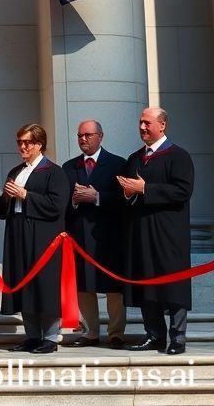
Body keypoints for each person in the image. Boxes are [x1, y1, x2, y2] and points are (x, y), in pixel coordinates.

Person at [117, 108, 194, 355]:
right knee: (146, 282)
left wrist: (145, 189)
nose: (142, 127)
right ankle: (154, 335)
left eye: (147, 123)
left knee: (174, 284)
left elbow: (183, 191)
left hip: (170, 233)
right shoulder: (134, 158)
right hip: (141, 232)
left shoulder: (178, 156)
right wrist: (128, 193)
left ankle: (178, 337)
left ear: (162, 125)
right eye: (140, 122)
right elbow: (128, 197)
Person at [1, 123, 70, 354]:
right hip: (18, 233)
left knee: (45, 285)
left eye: (27, 142)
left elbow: (57, 206)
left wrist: (25, 195)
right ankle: (31, 335)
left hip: (43, 238)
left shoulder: (54, 172)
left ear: (40, 144)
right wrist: (7, 197)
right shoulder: (16, 171)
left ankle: (50, 337)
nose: (22, 146)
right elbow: (3, 209)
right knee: (24, 283)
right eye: (19, 142)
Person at [62, 120, 127, 349]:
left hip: (108, 236)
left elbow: (125, 201)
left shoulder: (118, 164)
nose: (83, 139)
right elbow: (61, 204)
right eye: (80, 135)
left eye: (88, 135)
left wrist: (97, 197)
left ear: (100, 136)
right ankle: (90, 332)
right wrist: (74, 199)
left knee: (113, 287)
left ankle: (116, 333)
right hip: (79, 237)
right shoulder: (69, 167)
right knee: (84, 285)